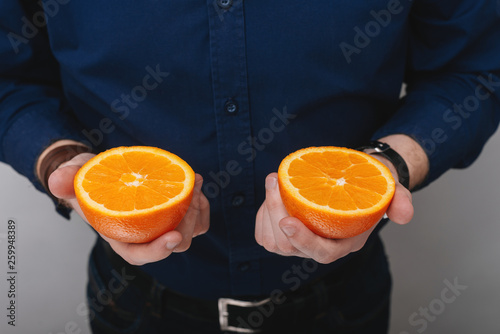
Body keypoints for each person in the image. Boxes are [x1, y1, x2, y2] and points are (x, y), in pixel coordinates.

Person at [1, 1, 499, 333]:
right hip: (134, 305)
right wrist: (61, 161)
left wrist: (388, 164)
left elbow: (476, 67)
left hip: (343, 304)